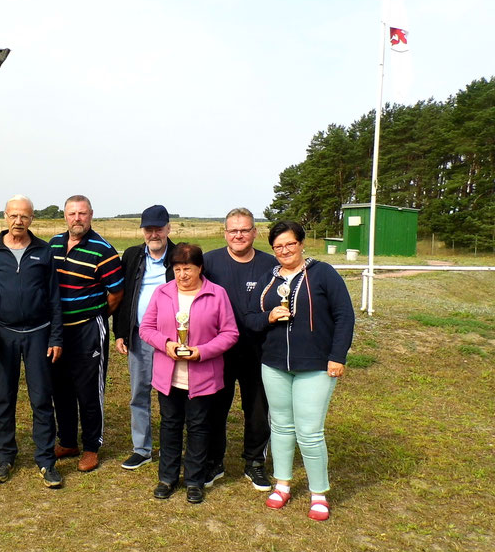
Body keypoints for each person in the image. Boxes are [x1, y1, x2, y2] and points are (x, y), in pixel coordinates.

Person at [246, 221, 355, 521]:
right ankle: (282, 484)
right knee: (280, 426)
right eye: (278, 246)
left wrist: (337, 356)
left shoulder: (323, 274)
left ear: (301, 243)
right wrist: (268, 316)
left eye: (290, 244)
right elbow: (251, 318)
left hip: (316, 366)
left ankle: (318, 493)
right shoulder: (269, 279)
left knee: (309, 432)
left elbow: (344, 316)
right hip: (275, 364)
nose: (284, 251)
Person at [0, 195, 64, 488]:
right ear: (5, 217)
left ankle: (46, 460)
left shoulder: (44, 251)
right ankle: (5, 457)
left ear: (31, 219)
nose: (18, 221)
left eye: (24, 216)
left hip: (39, 333)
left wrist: (55, 336)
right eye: (13, 216)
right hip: (5, 335)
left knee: (41, 399)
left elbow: (54, 298)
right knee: (4, 398)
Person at [139, 244, 238, 504]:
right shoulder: (162, 293)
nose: (182, 275)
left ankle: (194, 480)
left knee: (198, 427)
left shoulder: (217, 294)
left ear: (200, 268)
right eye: (178, 269)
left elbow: (230, 334)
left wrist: (202, 351)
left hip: (203, 376)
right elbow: (146, 328)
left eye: (188, 269)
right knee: (170, 426)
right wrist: (167, 344)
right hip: (168, 377)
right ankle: (167, 478)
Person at [202, 208, 277, 491]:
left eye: (244, 230)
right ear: (224, 233)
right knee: (215, 409)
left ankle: (255, 463)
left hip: (259, 351)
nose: (239, 235)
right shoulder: (209, 262)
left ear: (255, 233)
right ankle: (213, 461)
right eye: (233, 230)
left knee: (257, 410)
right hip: (219, 353)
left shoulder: (271, 265)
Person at [49, 195, 124, 472]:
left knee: (89, 390)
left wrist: (97, 317)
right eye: (71, 214)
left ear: (90, 215)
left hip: (89, 329)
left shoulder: (103, 250)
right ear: (65, 216)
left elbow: (116, 293)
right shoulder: (54, 245)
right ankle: (67, 440)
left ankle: (92, 446)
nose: (77, 219)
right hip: (57, 331)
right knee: (61, 387)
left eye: (82, 213)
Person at [113, 204, 178, 470]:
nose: (154, 234)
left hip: (172, 340)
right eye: (148, 229)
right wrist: (120, 333)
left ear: (168, 229)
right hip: (139, 337)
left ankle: (171, 448)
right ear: (142, 231)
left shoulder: (179, 255)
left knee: (171, 396)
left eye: (158, 229)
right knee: (139, 393)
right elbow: (123, 296)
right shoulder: (131, 256)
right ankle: (142, 449)